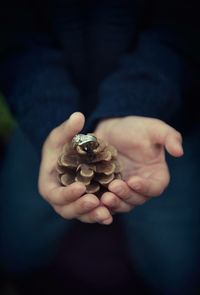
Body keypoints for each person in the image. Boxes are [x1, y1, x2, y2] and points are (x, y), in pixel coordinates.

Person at [0, 1, 199, 294]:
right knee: (17, 238)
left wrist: (139, 102)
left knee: (176, 261)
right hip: (40, 126)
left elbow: (184, 31)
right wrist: (49, 118)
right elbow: (15, 38)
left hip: (158, 124)